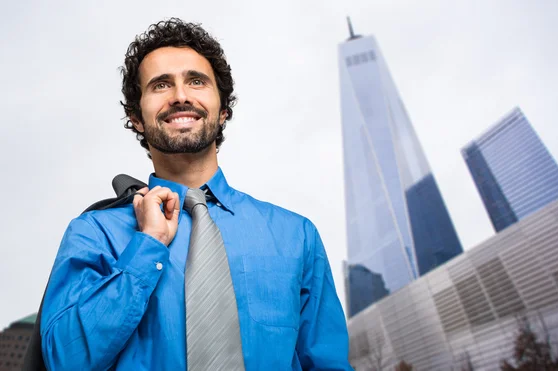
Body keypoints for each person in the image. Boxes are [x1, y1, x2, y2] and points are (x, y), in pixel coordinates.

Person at [40, 18, 353, 370]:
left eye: (196, 81)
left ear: (223, 111)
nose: (180, 96)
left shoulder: (297, 236)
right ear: (136, 118)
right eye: (160, 85)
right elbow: (64, 360)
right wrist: (148, 246)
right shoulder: (93, 233)